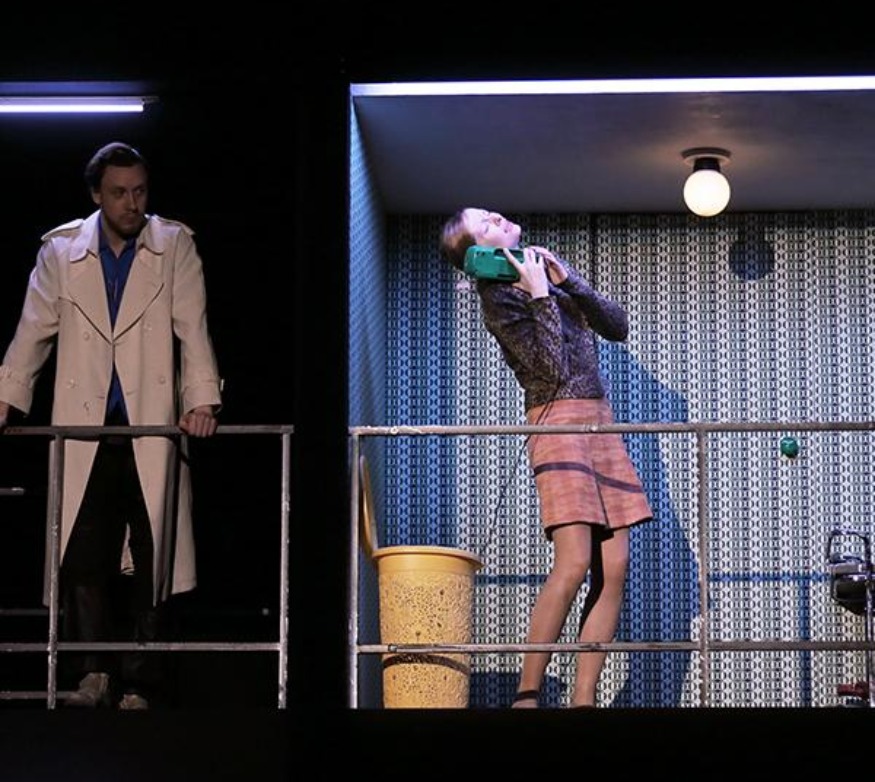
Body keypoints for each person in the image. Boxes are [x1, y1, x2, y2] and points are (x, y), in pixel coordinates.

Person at [0, 141, 223, 710]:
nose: (132, 203)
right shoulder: (61, 251)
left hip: (148, 424)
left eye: (140, 191)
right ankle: (93, 674)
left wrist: (201, 399)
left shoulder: (173, 245)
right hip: (85, 426)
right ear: (96, 194)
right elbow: (33, 329)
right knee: (83, 552)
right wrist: (7, 396)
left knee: (153, 554)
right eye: (120, 193)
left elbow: (193, 327)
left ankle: (143, 681)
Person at [439, 208, 653, 708]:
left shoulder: (545, 275)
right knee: (574, 561)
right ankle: (527, 694)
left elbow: (617, 326)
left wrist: (566, 281)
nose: (496, 217)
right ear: (478, 254)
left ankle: (583, 698)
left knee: (614, 565)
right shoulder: (498, 300)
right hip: (557, 424)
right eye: (484, 224)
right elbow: (551, 372)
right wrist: (538, 296)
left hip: (599, 421)